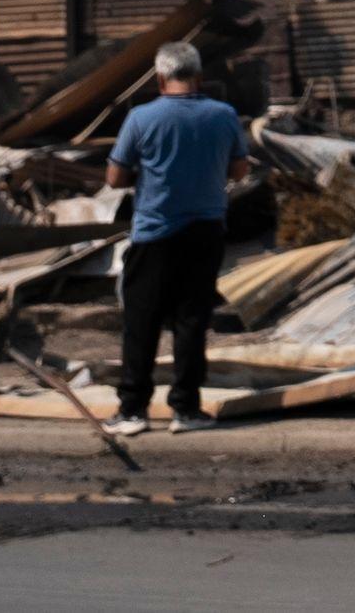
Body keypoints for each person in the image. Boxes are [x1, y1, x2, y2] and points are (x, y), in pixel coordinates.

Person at [104, 37, 252, 436]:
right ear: (198, 76)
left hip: (154, 232)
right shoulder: (224, 116)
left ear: (160, 76)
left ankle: (133, 410)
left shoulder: (141, 118)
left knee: (142, 322)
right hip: (205, 232)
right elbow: (240, 171)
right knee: (191, 321)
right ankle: (185, 409)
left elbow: (115, 177)